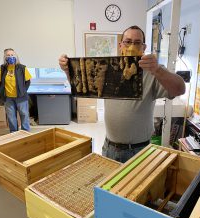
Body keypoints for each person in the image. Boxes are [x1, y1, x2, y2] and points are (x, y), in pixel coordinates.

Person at [59, 25, 185, 163]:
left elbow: (179, 89)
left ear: (144, 47)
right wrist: (67, 70)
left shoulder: (153, 71)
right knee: (110, 185)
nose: (132, 46)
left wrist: (158, 70)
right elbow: (81, 86)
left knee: (139, 185)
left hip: (139, 150)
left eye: (137, 43)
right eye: (128, 41)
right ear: (121, 45)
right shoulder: (109, 67)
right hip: (110, 147)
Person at [0, 48, 32, 132]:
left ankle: (25, 132)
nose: (10, 56)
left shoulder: (22, 68)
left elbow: (28, 81)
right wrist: (2, 92)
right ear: (5, 57)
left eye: (12, 55)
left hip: (21, 97)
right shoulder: (2, 68)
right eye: (8, 55)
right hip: (8, 98)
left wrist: (23, 91)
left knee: (24, 115)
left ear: (16, 56)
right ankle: (13, 133)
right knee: (11, 116)